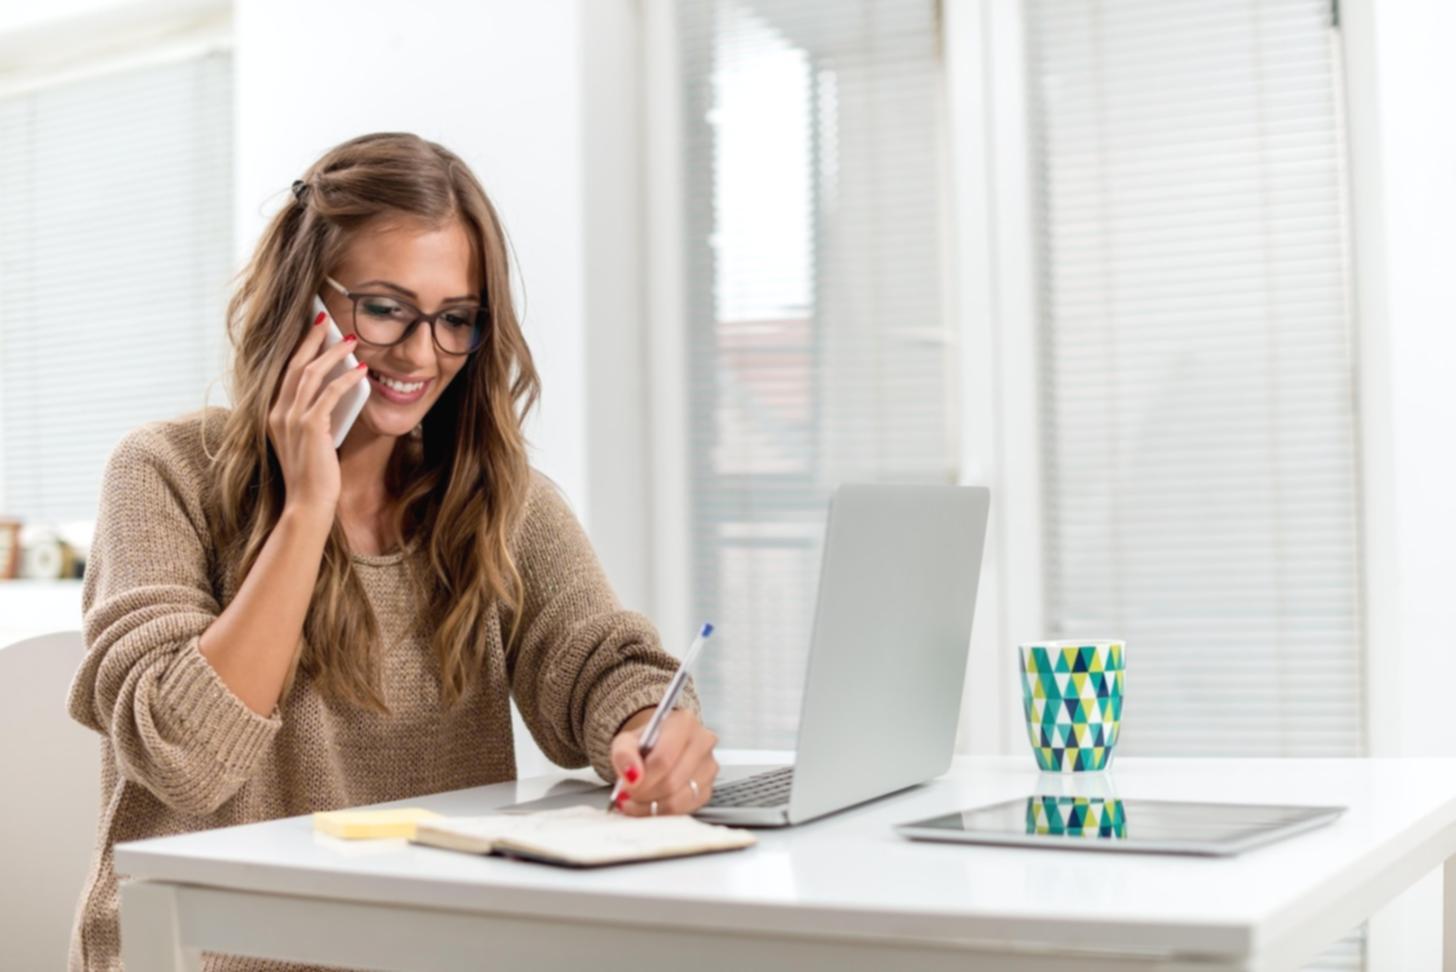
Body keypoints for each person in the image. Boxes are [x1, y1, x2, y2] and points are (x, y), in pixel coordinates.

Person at [65, 132, 720, 972]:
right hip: (210, 954)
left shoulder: (493, 501)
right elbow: (186, 759)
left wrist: (647, 730)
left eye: (456, 320)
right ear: (302, 300)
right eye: (384, 307)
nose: (421, 353)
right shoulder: (163, 473)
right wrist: (308, 507)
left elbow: (600, 661)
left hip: (422, 948)